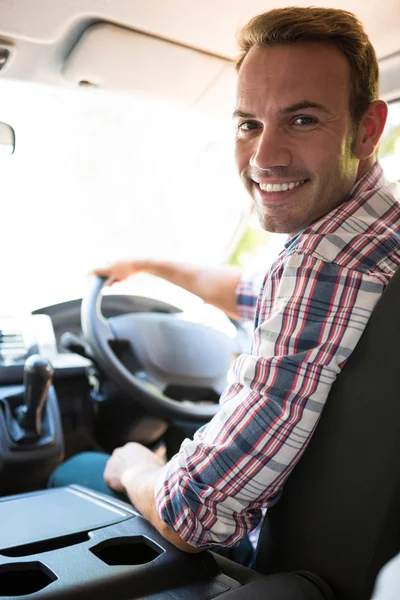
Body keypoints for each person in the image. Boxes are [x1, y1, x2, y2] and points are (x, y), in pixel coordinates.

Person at [49, 5, 400, 562]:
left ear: (367, 130)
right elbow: (253, 290)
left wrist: (139, 466)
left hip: (269, 567)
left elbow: (195, 515)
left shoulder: (325, 265)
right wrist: (152, 265)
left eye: (303, 119)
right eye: (248, 124)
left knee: (77, 469)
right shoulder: (378, 228)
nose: (264, 156)